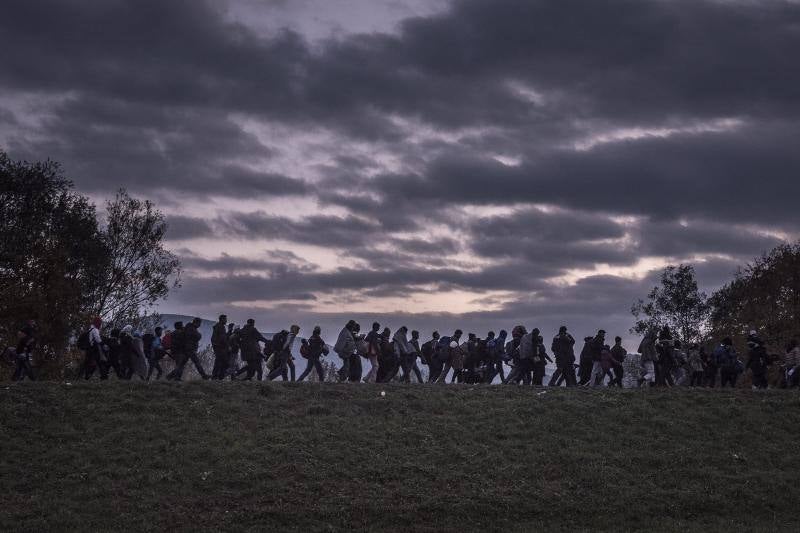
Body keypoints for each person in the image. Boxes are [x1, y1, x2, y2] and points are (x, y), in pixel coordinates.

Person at [211, 315, 230, 380]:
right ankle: (218, 377)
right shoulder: (220, 327)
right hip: (220, 348)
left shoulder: (218, 327)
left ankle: (217, 377)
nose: (226, 320)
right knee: (224, 363)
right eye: (225, 319)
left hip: (218, 347)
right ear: (222, 319)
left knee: (220, 362)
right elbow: (223, 339)